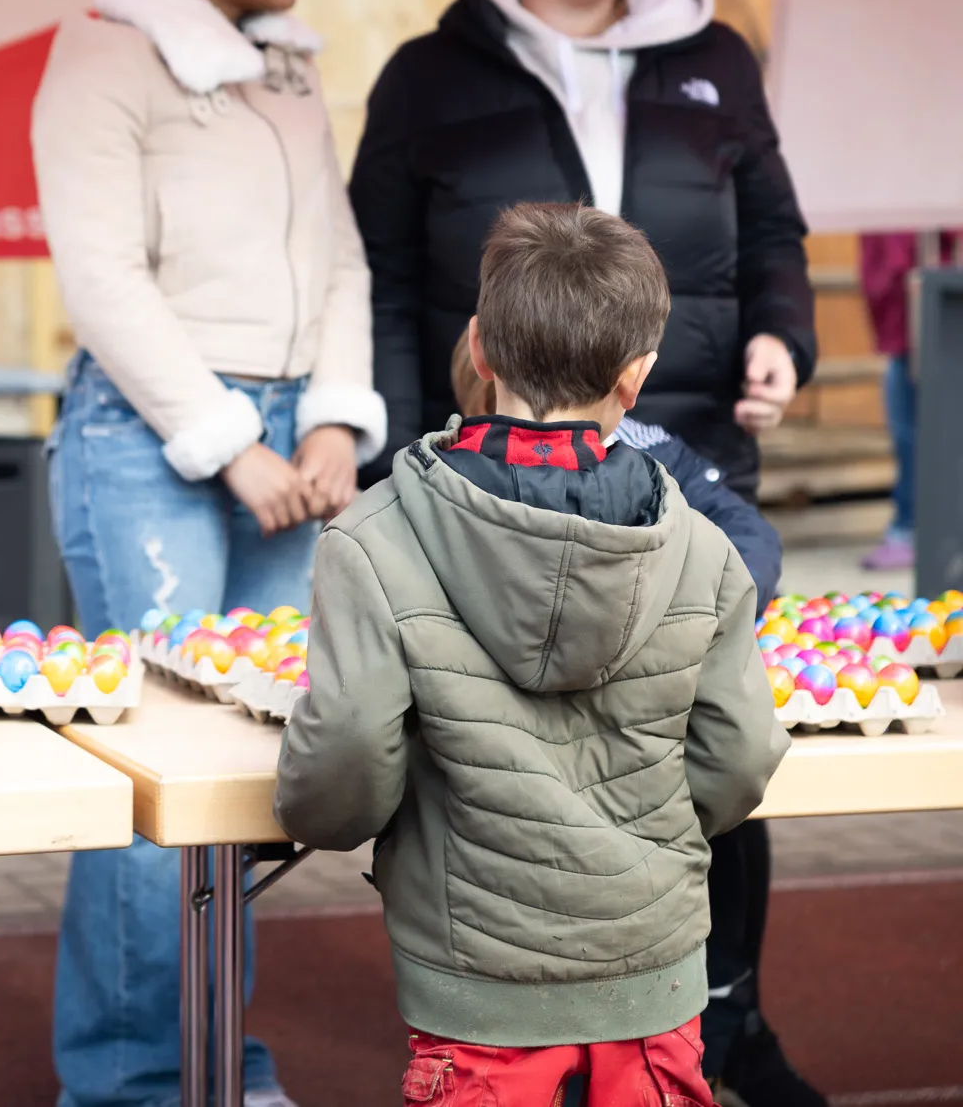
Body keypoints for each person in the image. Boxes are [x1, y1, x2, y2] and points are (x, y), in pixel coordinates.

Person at [348, 0, 822, 1105]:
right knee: (510, 746)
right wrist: (399, 446)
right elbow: (380, 275)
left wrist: (782, 338)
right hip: (490, 457)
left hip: (689, 454)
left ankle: (720, 1019)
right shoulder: (431, 74)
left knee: (696, 717)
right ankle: (528, 1029)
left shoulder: (713, 56)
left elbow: (772, 231)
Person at [31, 0, 385, 1107]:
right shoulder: (101, 60)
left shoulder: (289, 65)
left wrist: (336, 422)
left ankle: (211, 1065)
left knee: (247, 767)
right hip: (151, 441)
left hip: (291, 439)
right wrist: (230, 443)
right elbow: (102, 282)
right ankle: (132, 1082)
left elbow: (339, 258)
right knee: (162, 772)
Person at [277, 203, 789, 1107]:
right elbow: (740, 755)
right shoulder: (700, 546)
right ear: (637, 376)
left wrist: (356, 822)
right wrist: (645, 838)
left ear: (479, 348)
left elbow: (346, 758)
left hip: (476, 974)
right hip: (653, 963)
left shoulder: (373, 537)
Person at [450, 330, 781, 600]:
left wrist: (705, 611)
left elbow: (746, 535)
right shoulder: (455, 469)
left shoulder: (653, 456)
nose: (535, 437)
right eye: (503, 421)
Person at [858, 231, 957, 572]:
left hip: (936, 319)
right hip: (903, 323)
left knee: (930, 433)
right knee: (907, 434)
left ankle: (914, 526)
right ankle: (909, 525)